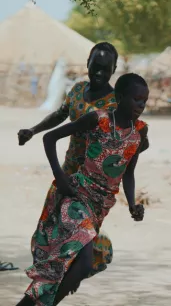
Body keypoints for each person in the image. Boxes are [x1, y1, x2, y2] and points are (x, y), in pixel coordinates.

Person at [16, 73, 149, 306]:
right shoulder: (98, 119)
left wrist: (132, 205)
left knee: (67, 268)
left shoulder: (139, 132)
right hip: (76, 197)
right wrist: (62, 179)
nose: (141, 105)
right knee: (84, 262)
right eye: (136, 99)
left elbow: (128, 172)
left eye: (144, 100)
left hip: (99, 208)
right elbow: (50, 138)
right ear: (119, 97)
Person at [17, 42, 124, 288]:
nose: (98, 73)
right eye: (95, 67)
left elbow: (126, 142)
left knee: (77, 238)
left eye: (105, 69)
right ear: (87, 63)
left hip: (92, 185)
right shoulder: (77, 90)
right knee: (49, 231)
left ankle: (70, 277)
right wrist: (33, 130)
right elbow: (60, 114)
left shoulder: (115, 104)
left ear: (114, 69)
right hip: (66, 175)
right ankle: (52, 284)